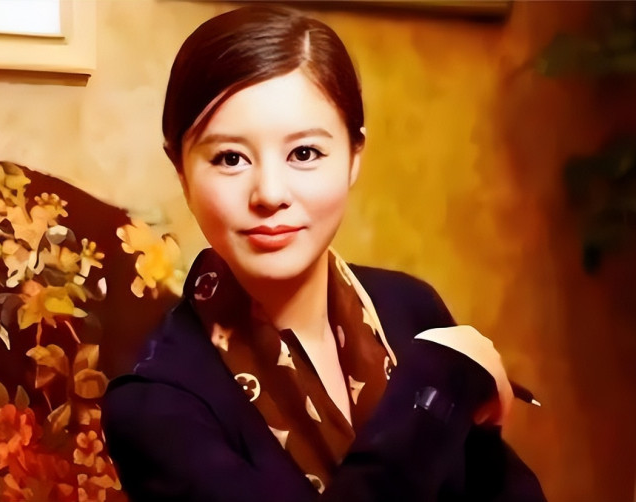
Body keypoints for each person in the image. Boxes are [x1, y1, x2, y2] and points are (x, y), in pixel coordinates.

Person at [102, 5, 546, 502]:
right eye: (230, 158)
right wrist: (439, 385)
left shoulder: (408, 307)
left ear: (354, 156)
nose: (270, 193)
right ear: (181, 171)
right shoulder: (155, 404)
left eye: (304, 153)